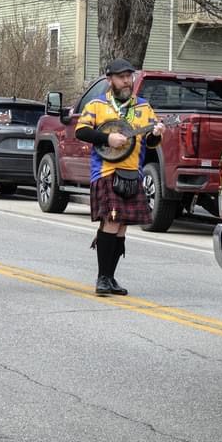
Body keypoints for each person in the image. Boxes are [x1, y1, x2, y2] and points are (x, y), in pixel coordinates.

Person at [75, 58, 165, 296]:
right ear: (110, 80)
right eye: (121, 77)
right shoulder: (96, 105)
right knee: (112, 221)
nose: (127, 81)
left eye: (129, 76)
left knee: (123, 226)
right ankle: (102, 278)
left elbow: (151, 143)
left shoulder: (143, 108)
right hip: (106, 171)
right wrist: (107, 139)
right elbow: (81, 131)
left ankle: (111, 277)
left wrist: (156, 133)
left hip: (132, 172)